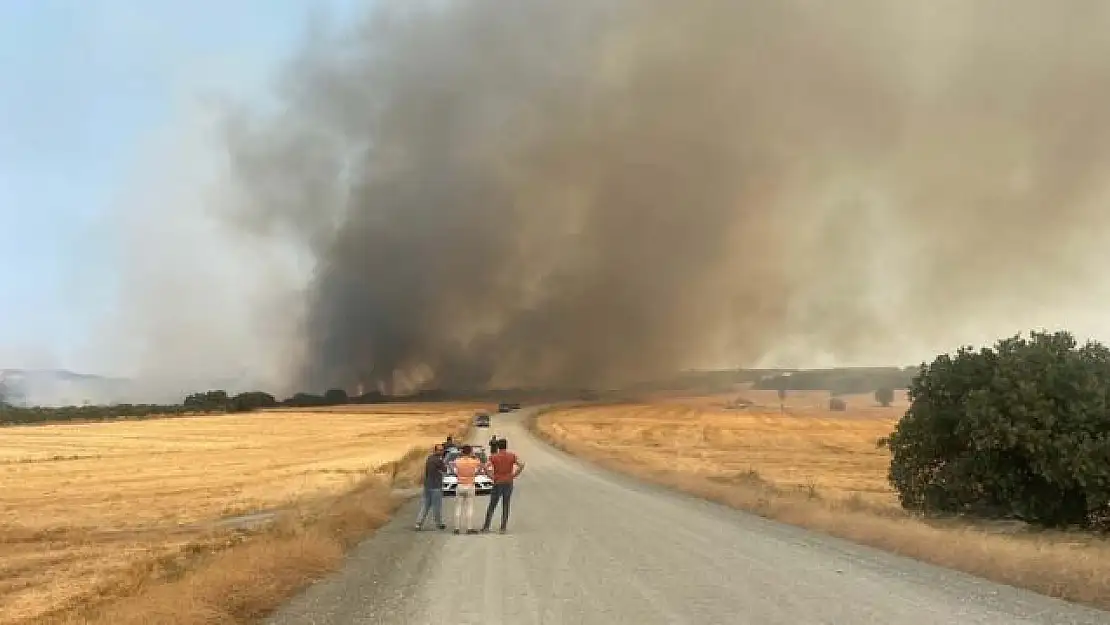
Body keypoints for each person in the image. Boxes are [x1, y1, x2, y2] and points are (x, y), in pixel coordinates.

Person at [482, 438, 524, 534]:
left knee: (492, 505)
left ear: (497, 446)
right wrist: (514, 474)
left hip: (497, 482)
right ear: (506, 446)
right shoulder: (512, 456)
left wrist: (490, 476)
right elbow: (521, 464)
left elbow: (485, 467)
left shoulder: (494, 457)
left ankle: (486, 526)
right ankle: (503, 528)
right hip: (508, 481)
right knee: (506, 504)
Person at [414, 444, 447, 531]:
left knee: (425, 505)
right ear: (435, 450)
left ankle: (418, 523)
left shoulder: (429, 458)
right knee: (437, 507)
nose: (441, 451)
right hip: (436, 486)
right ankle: (439, 523)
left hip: (428, 485)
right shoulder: (439, 460)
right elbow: (445, 470)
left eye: (442, 450)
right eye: (440, 450)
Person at [452, 444, 482, 534]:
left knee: (458, 507)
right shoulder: (474, 461)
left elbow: (453, 469)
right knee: (470, 507)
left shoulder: (457, 461)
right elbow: (480, 467)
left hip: (460, 484)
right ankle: (469, 528)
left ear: (462, 451)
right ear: (471, 451)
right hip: (470, 485)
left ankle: (457, 528)